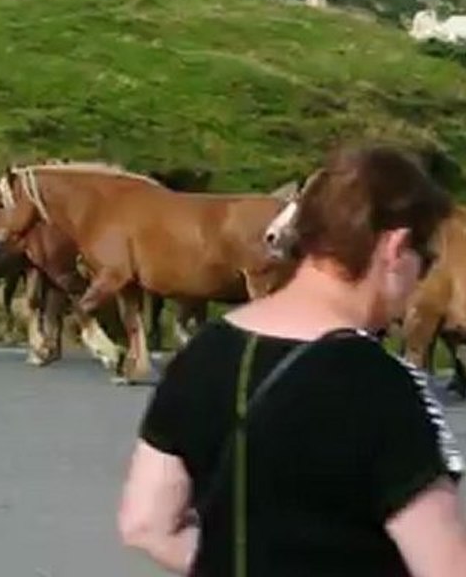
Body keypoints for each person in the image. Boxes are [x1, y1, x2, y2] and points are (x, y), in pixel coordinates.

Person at [117, 143, 466, 576]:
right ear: (394, 248)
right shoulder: (384, 384)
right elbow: (446, 567)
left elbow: (145, 524)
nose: (423, 278)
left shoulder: (203, 354)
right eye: (426, 260)